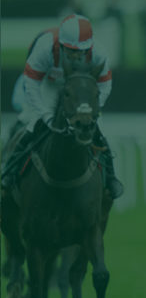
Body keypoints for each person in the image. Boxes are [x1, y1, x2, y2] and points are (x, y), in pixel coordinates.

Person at [1, 14, 123, 198]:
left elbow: (105, 85)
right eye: (71, 50)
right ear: (61, 44)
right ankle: (9, 171)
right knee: (31, 122)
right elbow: (31, 83)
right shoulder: (45, 47)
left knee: (100, 128)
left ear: (89, 46)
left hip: (80, 89)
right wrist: (44, 114)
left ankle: (111, 178)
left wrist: (93, 110)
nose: (75, 56)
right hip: (48, 85)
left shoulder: (99, 52)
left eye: (80, 51)